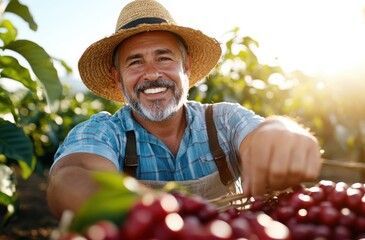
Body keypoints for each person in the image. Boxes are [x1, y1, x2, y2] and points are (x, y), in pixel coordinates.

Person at [46, 0, 322, 217]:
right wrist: (143, 215)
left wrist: (280, 131)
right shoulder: (105, 132)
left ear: (186, 67)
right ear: (118, 78)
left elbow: (261, 134)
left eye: (164, 58)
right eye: (135, 63)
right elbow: (70, 176)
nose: (152, 74)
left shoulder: (223, 120)